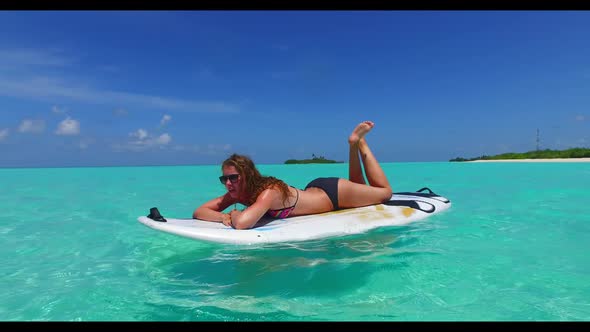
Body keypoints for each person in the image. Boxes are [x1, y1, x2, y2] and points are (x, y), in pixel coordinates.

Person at [193, 121, 393, 229]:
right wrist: (222, 217)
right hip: (315, 189)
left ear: (246, 176)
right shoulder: (237, 193)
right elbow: (199, 211)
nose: (228, 183)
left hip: (334, 195)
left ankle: (360, 143)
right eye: (224, 179)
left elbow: (243, 223)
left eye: (233, 178)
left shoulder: (268, 192)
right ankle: (354, 144)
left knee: (384, 193)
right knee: (361, 186)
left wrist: (234, 214)